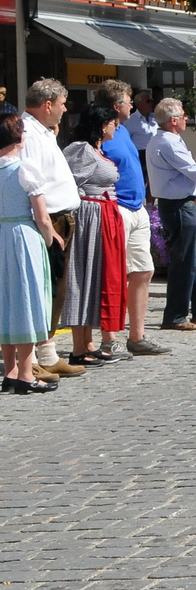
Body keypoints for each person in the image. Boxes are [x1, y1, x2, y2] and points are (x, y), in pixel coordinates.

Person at [89, 81, 170, 358]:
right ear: (115, 106)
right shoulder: (103, 133)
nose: (132, 105)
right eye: (127, 101)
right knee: (113, 275)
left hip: (137, 209)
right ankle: (109, 338)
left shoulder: (122, 130)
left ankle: (137, 335)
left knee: (143, 270)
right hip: (116, 208)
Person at [144, 98, 196, 332]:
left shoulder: (169, 140)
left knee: (195, 257)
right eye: (183, 116)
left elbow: (190, 166)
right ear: (173, 120)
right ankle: (175, 315)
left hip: (181, 203)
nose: (186, 119)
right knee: (183, 260)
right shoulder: (167, 143)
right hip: (177, 205)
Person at [22, 80, 83, 382]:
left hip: (61, 216)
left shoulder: (42, 131)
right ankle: (31, 358)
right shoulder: (28, 133)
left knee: (57, 289)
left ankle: (47, 354)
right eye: (61, 103)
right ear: (47, 105)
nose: (64, 109)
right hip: (51, 218)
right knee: (43, 289)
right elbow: (32, 182)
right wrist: (45, 224)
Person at [59, 105, 127, 367]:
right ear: (101, 125)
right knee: (83, 277)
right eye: (113, 122)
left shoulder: (98, 150)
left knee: (97, 278)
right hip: (89, 219)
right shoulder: (80, 150)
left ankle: (88, 343)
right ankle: (78, 347)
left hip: (104, 216)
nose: (116, 127)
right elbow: (66, 183)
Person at [0, 113, 60, 395]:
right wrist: (50, 239)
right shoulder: (25, 169)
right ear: (20, 138)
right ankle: (25, 373)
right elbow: (42, 216)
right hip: (22, 235)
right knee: (26, 297)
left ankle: (9, 370)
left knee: (6, 300)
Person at [123, 87, 157, 152]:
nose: (151, 103)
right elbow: (126, 140)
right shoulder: (130, 120)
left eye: (151, 101)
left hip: (156, 152)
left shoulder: (156, 117)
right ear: (139, 104)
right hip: (140, 153)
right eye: (148, 101)